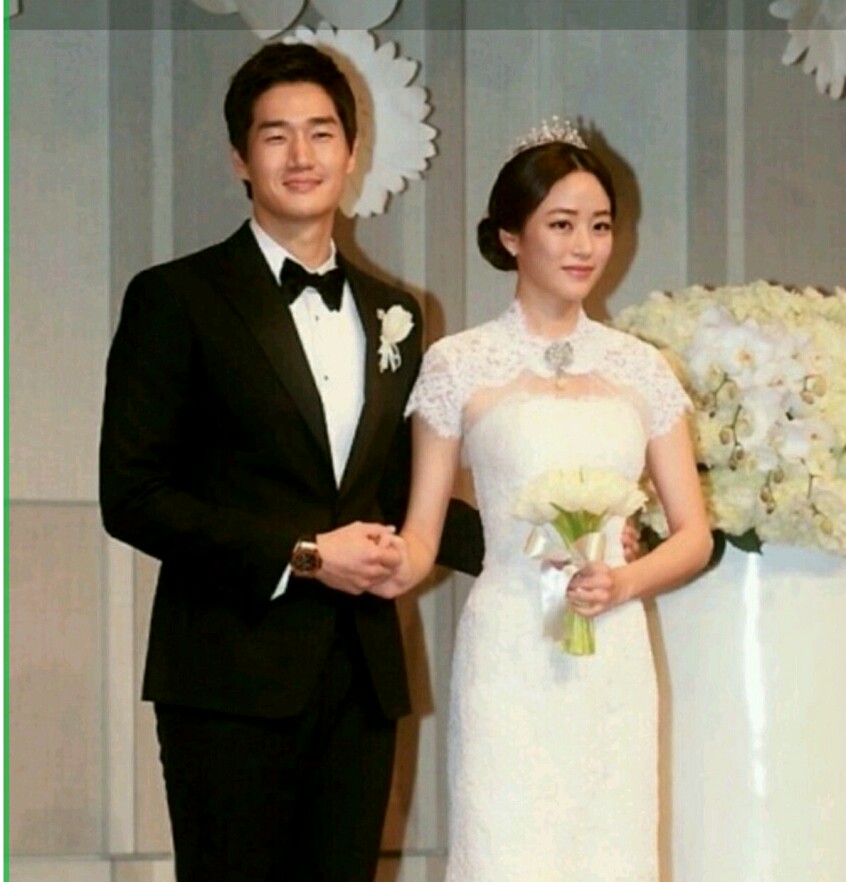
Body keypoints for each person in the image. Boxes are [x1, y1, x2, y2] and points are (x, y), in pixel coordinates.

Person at [99, 42, 483, 882]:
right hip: (226, 677)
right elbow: (132, 494)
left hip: (361, 679)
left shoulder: (395, 313)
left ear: (352, 150)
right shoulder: (175, 298)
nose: (301, 155)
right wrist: (303, 554)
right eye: (276, 136)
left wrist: (540, 542)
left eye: (321, 133)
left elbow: (394, 486)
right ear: (241, 158)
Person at [376, 123, 713, 880]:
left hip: (613, 650)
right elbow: (424, 532)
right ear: (510, 236)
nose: (584, 246)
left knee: (610, 849)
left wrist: (623, 581)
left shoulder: (642, 368)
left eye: (600, 225)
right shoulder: (457, 364)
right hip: (507, 646)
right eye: (561, 225)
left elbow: (693, 534)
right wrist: (383, 563)